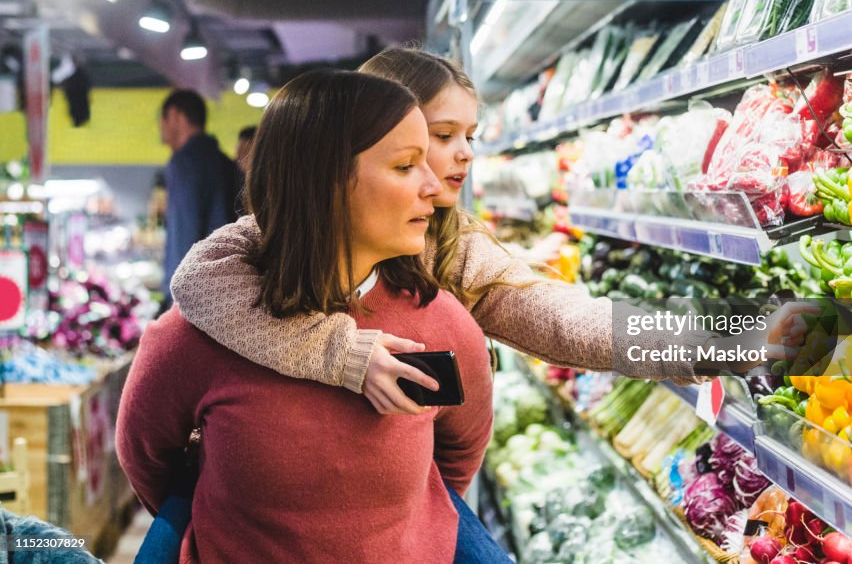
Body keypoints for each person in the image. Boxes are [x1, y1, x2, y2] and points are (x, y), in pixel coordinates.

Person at [170, 47, 715, 416]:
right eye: (442, 134)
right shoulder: (274, 239)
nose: (465, 154)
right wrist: (337, 352)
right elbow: (200, 282)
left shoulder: (451, 243)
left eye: (470, 135)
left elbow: (558, 317)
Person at [118, 70, 498, 563]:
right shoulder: (196, 335)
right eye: (406, 166)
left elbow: (456, 458)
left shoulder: (441, 323)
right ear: (325, 183)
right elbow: (146, 455)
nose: (433, 185)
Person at [158, 90, 241, 310]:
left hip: (193, 299)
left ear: (175, 115)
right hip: (224, 291)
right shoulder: (224, 162)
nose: (161, 129)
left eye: (162, 120)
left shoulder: (184, 163)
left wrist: (172, 299)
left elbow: (183, 233)